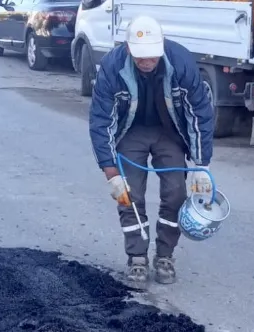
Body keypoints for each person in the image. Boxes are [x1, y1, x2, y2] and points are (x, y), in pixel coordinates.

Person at [88, 15, 215, 286]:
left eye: (152, 56)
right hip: (130, 131)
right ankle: (137, 257)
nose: (146, 62)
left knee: (176, 192)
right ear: (128, 49)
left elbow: (199, 114)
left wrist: (201, 165)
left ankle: (165, 256)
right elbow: (101, 121)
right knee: (129, 194)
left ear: (162, 46)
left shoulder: (181, 63)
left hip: (169, 131)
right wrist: (111, 173)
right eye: (140, 57)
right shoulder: (112, 68)